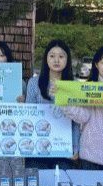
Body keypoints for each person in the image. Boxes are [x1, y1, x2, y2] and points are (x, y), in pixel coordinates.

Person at [25, 39, 80, 169]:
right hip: (38, 146)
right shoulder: (34, 83)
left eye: (61, 56)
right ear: (46, 59)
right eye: (52, 56)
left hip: (63, 147)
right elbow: (28, 114)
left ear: (67, 60)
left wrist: (75, 147)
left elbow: (76, 122)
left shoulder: (75, 85)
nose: (56, 60)